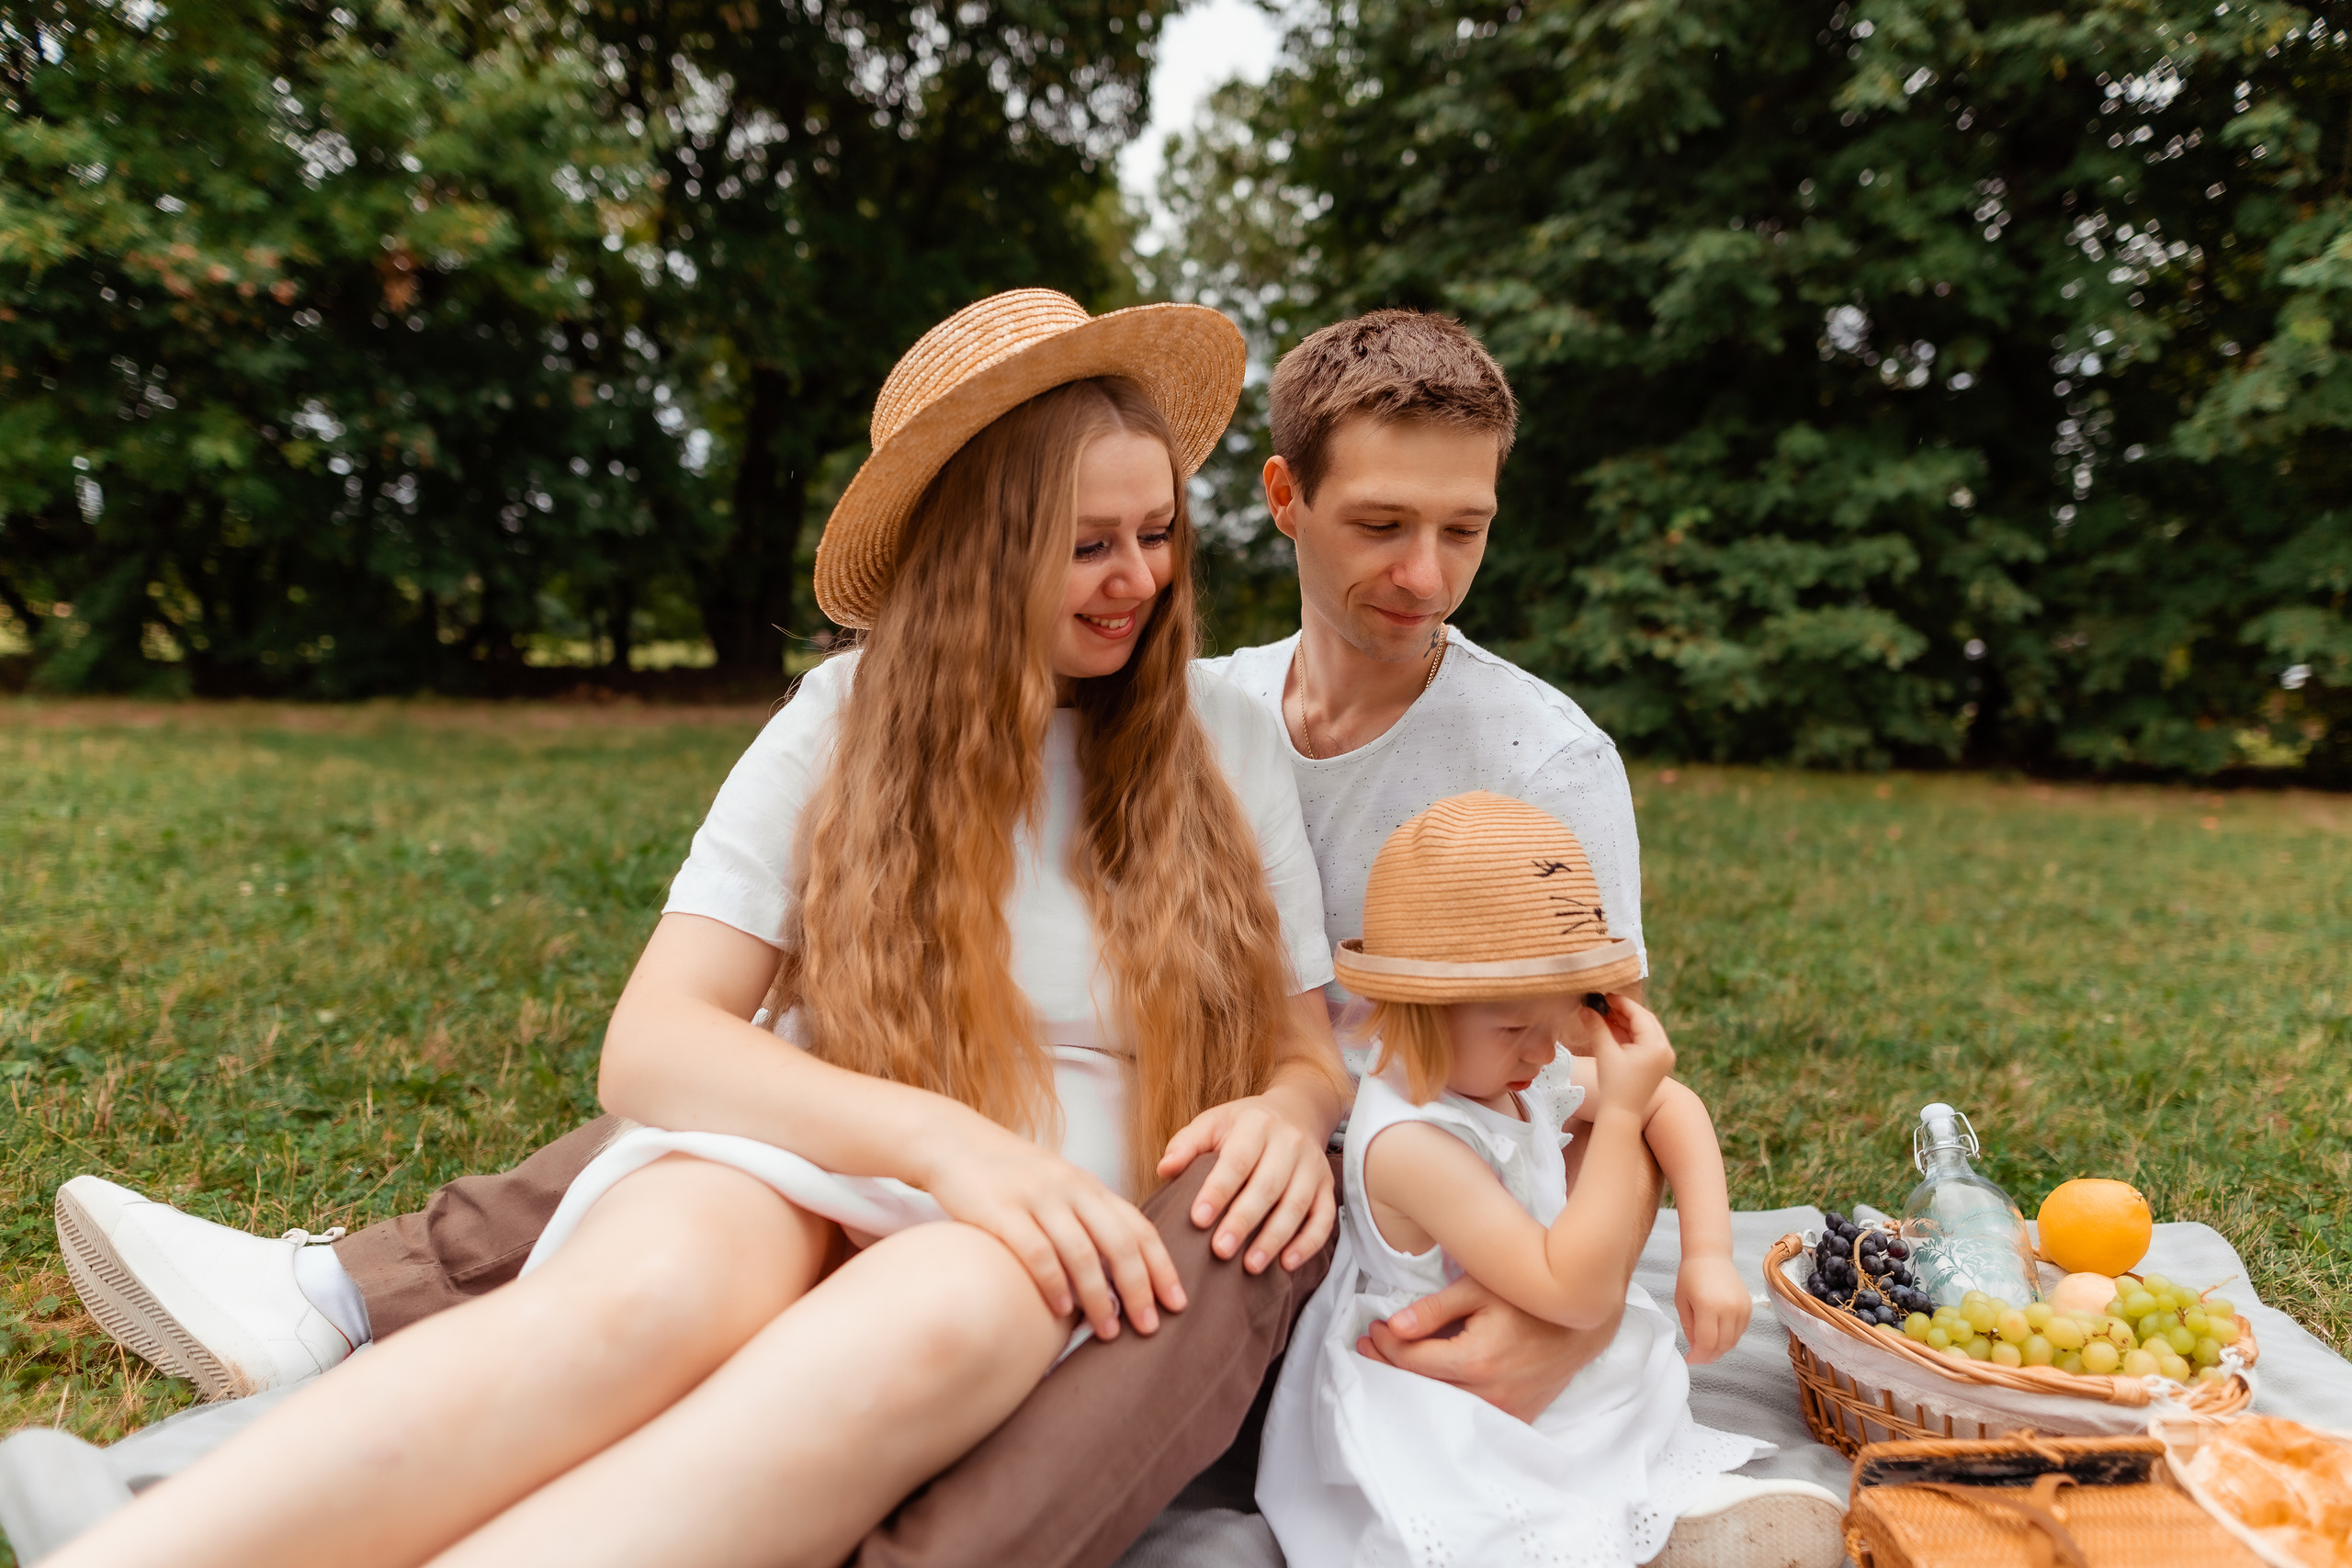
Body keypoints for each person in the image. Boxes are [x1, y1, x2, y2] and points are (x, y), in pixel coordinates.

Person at [53, 308, 1656, 1562]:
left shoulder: (1210, 735)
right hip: (841, 1146)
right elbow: (655, 1040)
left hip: (1046, 1215)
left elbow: (1309, 1040)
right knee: (638, 1303)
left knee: (911, 1335)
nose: (1136, 583)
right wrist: (939, 1144)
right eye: (1087, 543)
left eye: (1156, 538)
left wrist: (1285, 1105)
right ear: (981, 542)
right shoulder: (847, 716)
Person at [1255, 792, 1842, 1568]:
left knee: (1628, 1393)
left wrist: (1705, 1250)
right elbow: (1577, 1292)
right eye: (1514, 1030)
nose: (1543, 1055)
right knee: (1490, 1511)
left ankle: (1658, 1519)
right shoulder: (1408, 1142)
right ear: (1419, 1009)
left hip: (1544, 1327)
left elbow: (1678, 1100)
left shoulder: (1504, 1065)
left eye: (1556, 1021)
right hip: (1447, 1388)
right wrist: (1622, 1112)